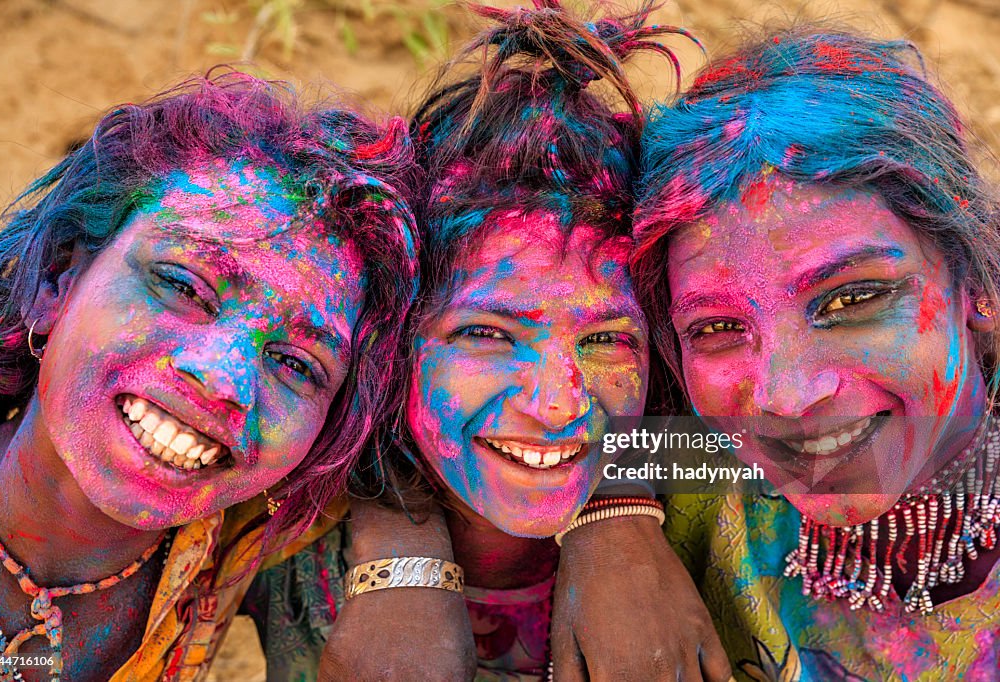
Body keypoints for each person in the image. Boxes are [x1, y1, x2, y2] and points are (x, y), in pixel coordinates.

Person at [246, 2, 733, 680]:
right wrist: (399, 548)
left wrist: (619, 511)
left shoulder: (708, 496)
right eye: (486, 333)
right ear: (391, 346)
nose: (560, 404)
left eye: (607, 340)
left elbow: (793, 445)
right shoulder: (285, 507)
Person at [0, 70, 418, 680]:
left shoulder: (247, 538)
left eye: (296, 364)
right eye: (184, 286)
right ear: (58, 279)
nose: (224, 380)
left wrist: (600, 522)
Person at [633, 26, 1000, 680]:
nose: (786, 396)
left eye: (853, 299)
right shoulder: (698, 474)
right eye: (717, 329)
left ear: (977, 282)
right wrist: (608, 533)